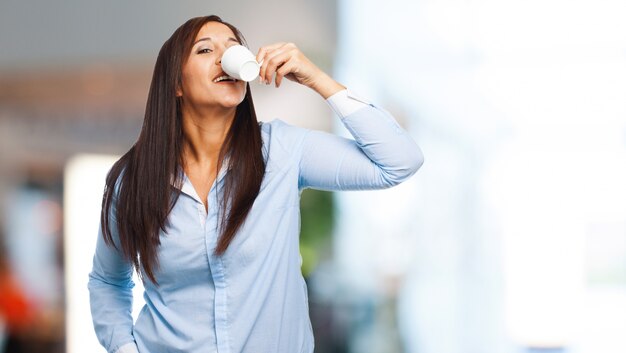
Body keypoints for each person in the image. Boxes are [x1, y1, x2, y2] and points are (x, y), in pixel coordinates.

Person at [88, 15, 423, 353]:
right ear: (175, 83)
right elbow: (106, 280)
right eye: (205, 50)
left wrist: (316, 79)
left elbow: (399, 161)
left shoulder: (281, 150)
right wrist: (124, 348)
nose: (224, 57)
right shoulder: (132, 180)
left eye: (233, 48)